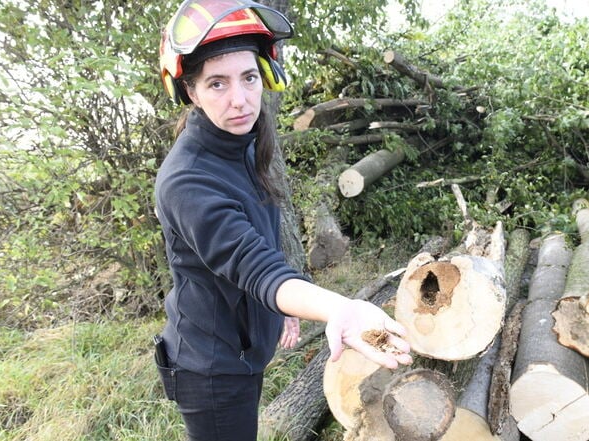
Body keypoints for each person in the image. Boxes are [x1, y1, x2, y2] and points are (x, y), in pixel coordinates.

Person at [153, 1, 412, 439]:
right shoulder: (186, 181)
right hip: (211, 365)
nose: (240, 99)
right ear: (190, 92)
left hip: (244, 345)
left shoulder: (245, 141)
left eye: (248, 77)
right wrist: (339, 309)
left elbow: (263, 241)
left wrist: (283, 307)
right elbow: (253, 266)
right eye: (217, 83)